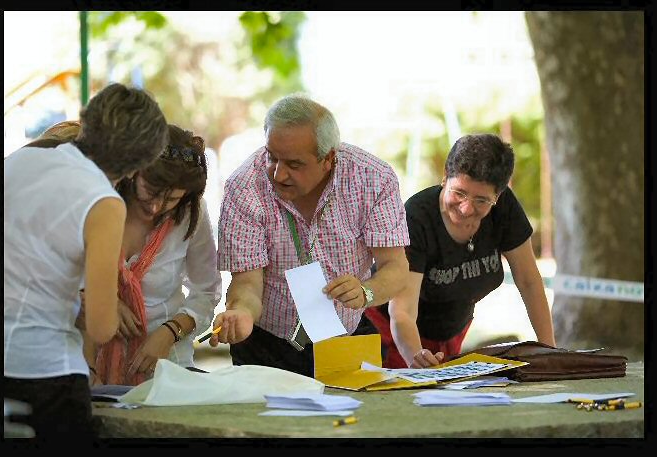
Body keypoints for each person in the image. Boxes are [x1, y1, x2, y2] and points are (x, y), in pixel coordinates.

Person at [4, 83, 168, 439]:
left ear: (87, 120)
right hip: (46, 374)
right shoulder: (103, 202)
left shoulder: (18, 161)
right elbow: (101, 326)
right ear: (140, 163)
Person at [209, 93, 410, 377]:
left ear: (328, 159)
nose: (278, 174)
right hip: (266, 345)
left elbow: (396, 268)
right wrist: (241, 313)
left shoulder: (373, 179)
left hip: (345, 338)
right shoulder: (244, 188)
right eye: (271, 157)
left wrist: (366, 292)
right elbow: (247, 282)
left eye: (294, 164)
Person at [365, 133, 556, 368]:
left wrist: (550, 352)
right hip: (391, 332)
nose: (466, 209)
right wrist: (417, 361)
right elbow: (402, 312)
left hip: (450, 333)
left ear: (498, 195)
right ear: (445, 177)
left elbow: (529, 282)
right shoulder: (416, 218)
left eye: (481, 200)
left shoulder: (504, 209)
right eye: (459, 193)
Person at [83, 125, 221, 386]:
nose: (158, 206)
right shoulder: (97, 204)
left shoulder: (191, 214)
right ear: (133, 174)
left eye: (172, 199)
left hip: (166, 364)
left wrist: (170, 332)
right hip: (86, 361)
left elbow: (206, 292)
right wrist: (99, 299)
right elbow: (59, 276)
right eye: (151, 192)